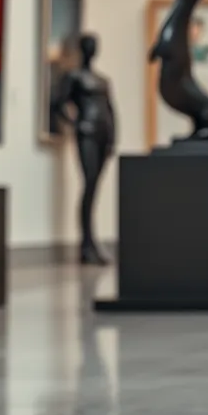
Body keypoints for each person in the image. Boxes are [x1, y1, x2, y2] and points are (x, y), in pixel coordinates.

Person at [51, 33, 116, 265]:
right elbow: (57, 104)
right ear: (81, 49)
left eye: (94, 46)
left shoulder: (102, 80)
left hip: (102, 134)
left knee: (94, 186)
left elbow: (110, 110)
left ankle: (91, 243)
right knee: (88, 185)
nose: (91, 49)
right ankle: (86, 244)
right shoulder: (73, 76)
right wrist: (75, 123)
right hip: (87, 132)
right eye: (88, 45)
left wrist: (112, 139)